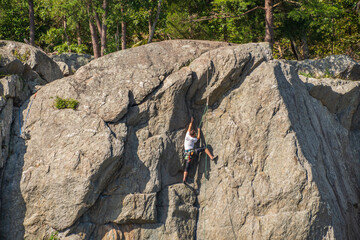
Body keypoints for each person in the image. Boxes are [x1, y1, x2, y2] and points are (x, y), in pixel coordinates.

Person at [183, 116, 216, 183]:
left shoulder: (187, 135)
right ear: (193, 135)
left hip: (186, 154)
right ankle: (211, 157)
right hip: (191, 152)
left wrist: (191, 121)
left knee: (187, 166)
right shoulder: (193, 139)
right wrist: (198, 130)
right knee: (204, 148)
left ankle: (184, 179)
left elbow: (189, 126)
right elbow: (198, 138)